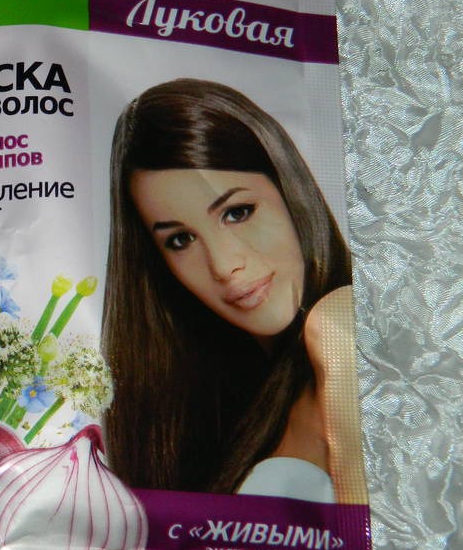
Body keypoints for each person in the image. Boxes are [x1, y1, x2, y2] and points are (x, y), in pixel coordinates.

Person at [102, 78, 364, 503]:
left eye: (238, 212)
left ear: (289, 189)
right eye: (180, 240)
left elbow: (385, 532)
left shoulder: (341, 322)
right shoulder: (216, 411)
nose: (225, 267)